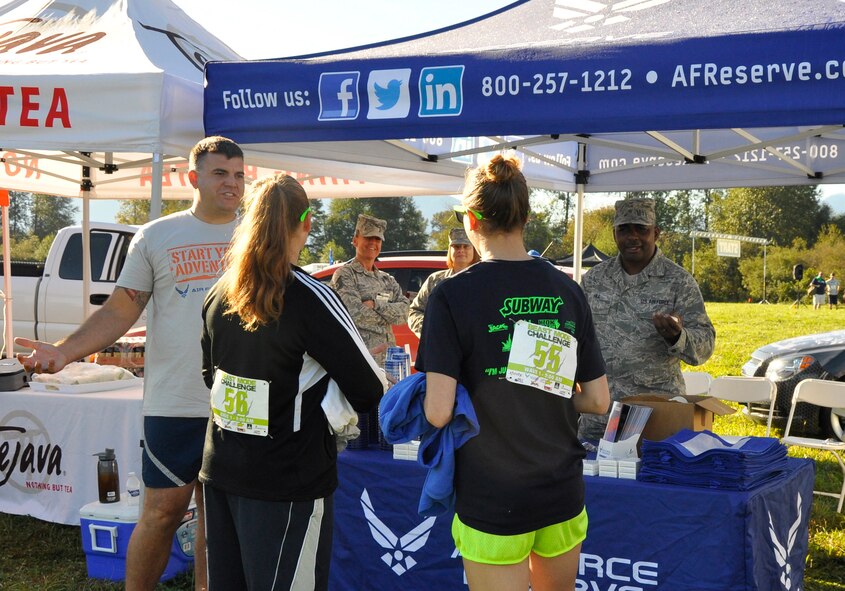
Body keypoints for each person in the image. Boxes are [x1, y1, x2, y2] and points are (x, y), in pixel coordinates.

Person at [16, 136, 245, 591]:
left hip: (239, 403)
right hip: (175, 402)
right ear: (192, 176)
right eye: (220, 173)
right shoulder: (158, 235)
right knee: (162, 513)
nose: (232, 184)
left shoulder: (256, 236)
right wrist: (64, 352)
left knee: (220, 520)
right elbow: (121, 310)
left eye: (239, 175)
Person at [417, 154, 610, 591]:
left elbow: (438, 412)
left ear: (471, 219)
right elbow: (599, 400)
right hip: (560, 488)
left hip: (493, 495)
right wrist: (550, 391)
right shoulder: (568, 289)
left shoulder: (451, 296)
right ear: (525, 215)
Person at [200, 174, 384, 590]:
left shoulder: (219, 293)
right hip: (287, 480)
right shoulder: (309, 297)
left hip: (223, 470)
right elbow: (369, 390)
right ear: (307, 222)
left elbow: (211, 377)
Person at [578, 197, 716, 441]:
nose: (633, 237)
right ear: (614, 234)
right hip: (600, 417)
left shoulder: (678, 282)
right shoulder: (594, 279)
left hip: (656, 418)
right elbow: (575, 335)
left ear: (656, 233)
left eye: (641, 229)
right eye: (624, 229)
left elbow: (705, 346)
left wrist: (678, 337)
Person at [330, 214, 410, 365]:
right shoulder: (345, 275)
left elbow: (404, 314)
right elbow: (355, 314)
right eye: (368, 237)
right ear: (355, 240)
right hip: (361, 360)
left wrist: (375, 305)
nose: (373, 242)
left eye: (378, 239)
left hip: (390, 363)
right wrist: (389, 314)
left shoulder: (387, 279)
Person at [408, 227, 480, 338]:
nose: (461, 250)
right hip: (441, 349)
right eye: (456, 247)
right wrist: (431, 330)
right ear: (450, 250)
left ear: (474, 250)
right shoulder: (435, 280)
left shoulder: (483, 280)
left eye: (466, 246)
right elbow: (415, 311)